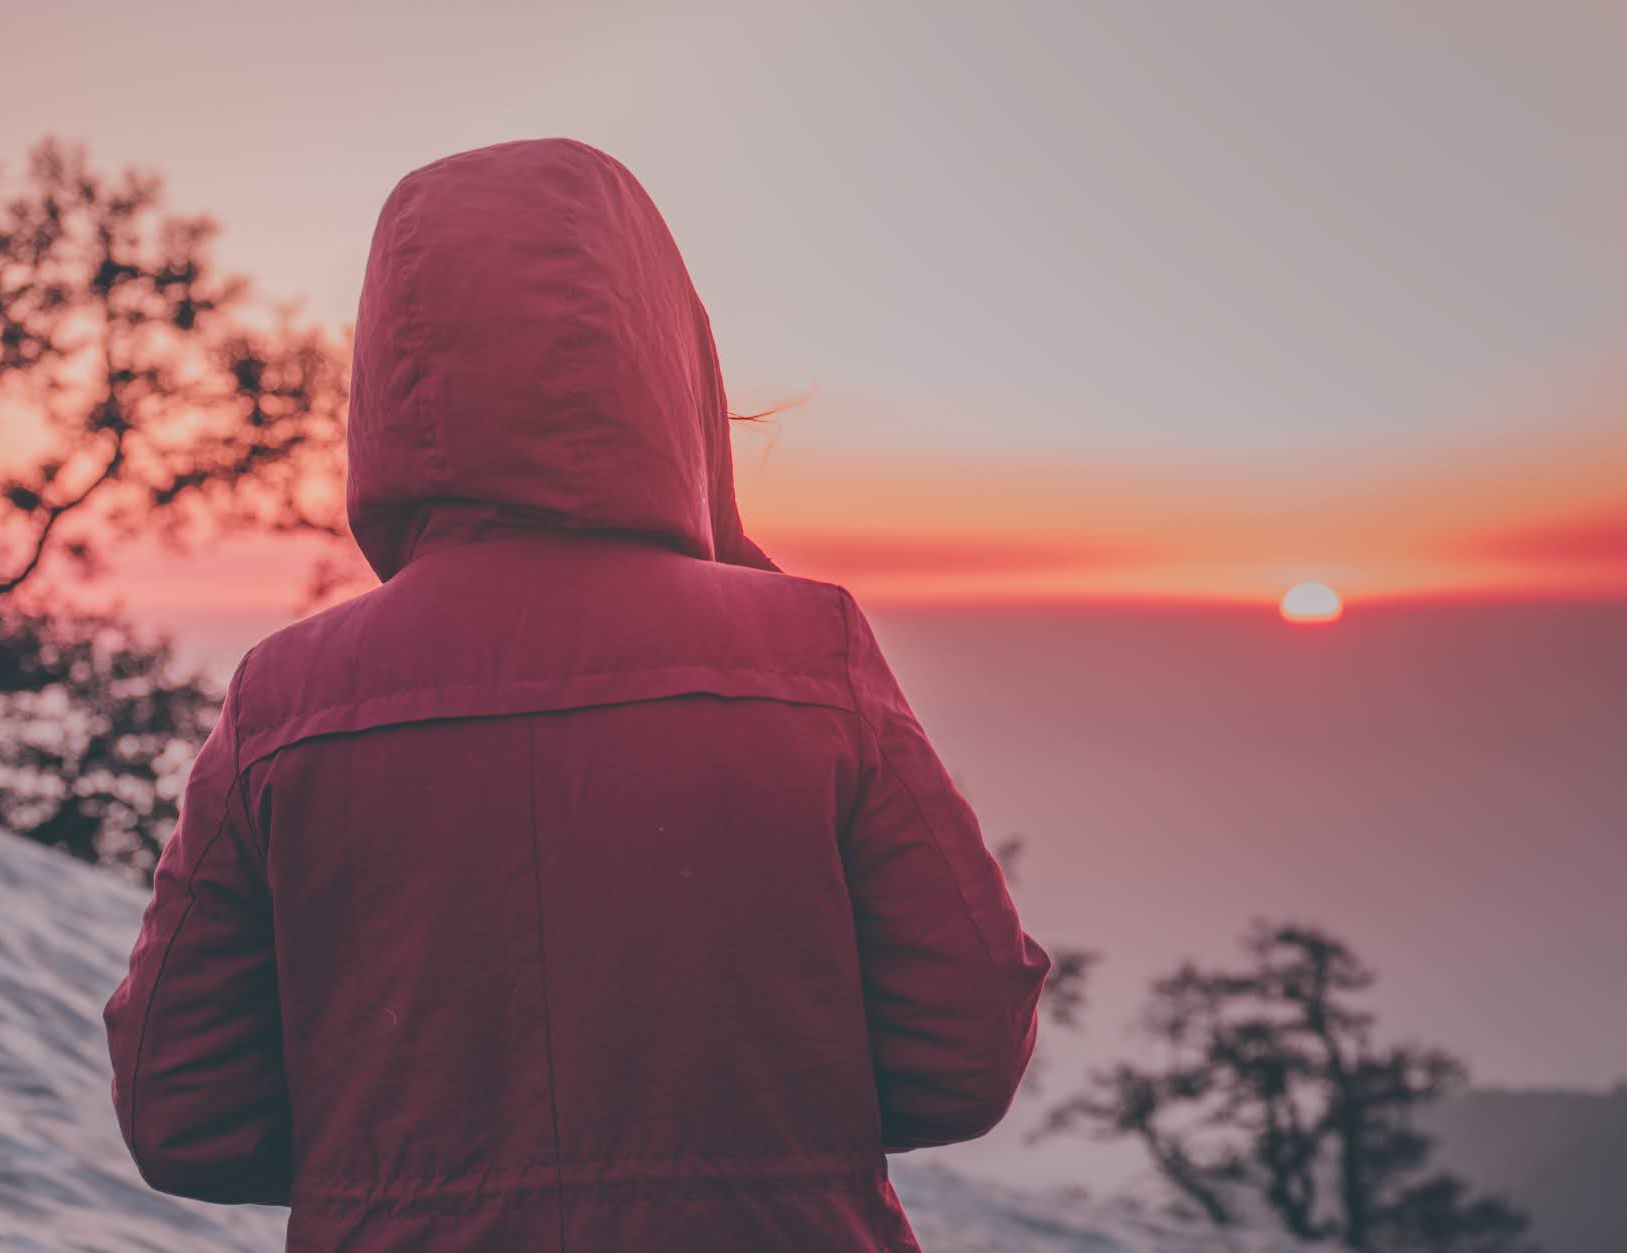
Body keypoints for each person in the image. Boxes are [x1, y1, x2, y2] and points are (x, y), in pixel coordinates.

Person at [102, 137, 1052, 1251]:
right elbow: (965, 1053)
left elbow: (184, 1116)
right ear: (664, 362)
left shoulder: (289, 702)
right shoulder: (805, 656)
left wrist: (396, 1167)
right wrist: (760, 1139)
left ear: (389, 385)